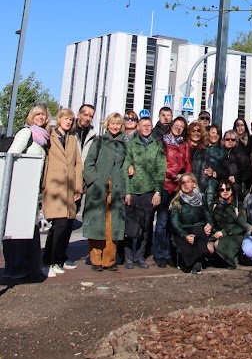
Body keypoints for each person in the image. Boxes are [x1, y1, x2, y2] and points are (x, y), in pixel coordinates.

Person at [2, 103, 51, 280]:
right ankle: (15, 267)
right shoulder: (27, 133)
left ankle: (29, 266)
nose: (41, 117)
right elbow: (12, 156)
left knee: (30, 229)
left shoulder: (43, 137)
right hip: (20, 188)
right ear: (32, 116)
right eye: (38, 114)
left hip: (32, 189)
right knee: (17, 229)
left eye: (44, 115)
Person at [41, 107, 83, 277]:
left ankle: (59, 259)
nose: (68, 121)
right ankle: (47, 261)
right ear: (59, 119)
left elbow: (78, 164)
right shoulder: (49, 136)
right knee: (57, 226)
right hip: (54, 186)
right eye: (66, 118)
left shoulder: (72, 139)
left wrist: (78, 187)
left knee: (66, 226)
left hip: (70, 187)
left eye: (71, 119)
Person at [82, 112, 126, 271]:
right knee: (96, 225)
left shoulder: (123, 145)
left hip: (115, 190)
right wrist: (95, 181)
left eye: (117, 124)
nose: (114, 126)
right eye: (112, 123)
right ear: (107, 124)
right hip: (98, 189)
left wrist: (124, 188)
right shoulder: (99, 142)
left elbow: (123, 167)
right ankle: (95, 260)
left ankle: (109, 260)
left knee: (113, 227)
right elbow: (88, 164)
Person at [122, 115, 165, 268]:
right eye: (143, 125)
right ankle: (128, 256)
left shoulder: (157, 146)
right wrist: (127, 191)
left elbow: (161, 170)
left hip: (149, 191)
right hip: (134, 191)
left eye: (149, 125)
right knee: (130, 226)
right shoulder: (132, 145)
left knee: (146, 226)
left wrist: (158, 192)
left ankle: (140, 256)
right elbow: (126, 167)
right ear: (138, 128)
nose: (146, 128)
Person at [154, 115, 192, 267]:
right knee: (162, 222)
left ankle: (170, 253)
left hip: (178, 188)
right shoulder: (163, 142)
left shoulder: (184, 145)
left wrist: (186, 179)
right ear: (171, 126)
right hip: (165, 185)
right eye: (177, 124)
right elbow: (159, 163)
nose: (179, 127)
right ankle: (160, 254)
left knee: (173, 222)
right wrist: (172, 175)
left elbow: (188, 164)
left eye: (182, 126)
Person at [169, 172, 211, 273]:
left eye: (188, 182)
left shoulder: (201, 199)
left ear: (194, 184)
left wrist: (210, 224)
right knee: (187, 244)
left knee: (199, 235)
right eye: (183, 183)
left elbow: (207, 214)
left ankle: (198, 262)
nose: (186, 184)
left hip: (198, 227)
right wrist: (185, 235)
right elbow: (175, 223)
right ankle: (190, 263)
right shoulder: (176, 202)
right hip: (183, 230)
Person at [206, 179, 248, 268]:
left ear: (232, 190)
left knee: (219, 244)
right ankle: (219, 260)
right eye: (222, 189)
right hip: (216, 233)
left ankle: (232, 261)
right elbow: (209, 219)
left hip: (234, 235)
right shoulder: (214, 205)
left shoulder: (238, 205)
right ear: (218, 192)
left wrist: (224, 232)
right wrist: (208, 225)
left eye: (227, 189)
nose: (225, 191)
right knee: (208, 247)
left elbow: (241, 226)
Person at [220, 129, 252, 200]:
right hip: (222, 186)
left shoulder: (240, 152)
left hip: (236, 187)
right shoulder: (221, 152)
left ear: (236, 141)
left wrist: (236, 178)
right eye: (227, 139)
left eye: (233, 139)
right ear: (223, 140)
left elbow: (247, 170)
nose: (230, 141)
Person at [187, 120, 211, 199]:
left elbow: (205, 171)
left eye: (198, 131)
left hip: (198, 188)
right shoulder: (184, 147)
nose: (196, 133)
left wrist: (199, 188)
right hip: (184, 186)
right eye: (193, 131)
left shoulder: (204, 150)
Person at [204, 123, 226, 207]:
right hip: (199, 184)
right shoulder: (201, 148)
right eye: (213, 132)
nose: (215, 135)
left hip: (213, 185)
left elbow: (226, 170)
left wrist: (215, 173)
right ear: (208, 133)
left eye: (218, 133)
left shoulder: (222, 151)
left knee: (210, 207)